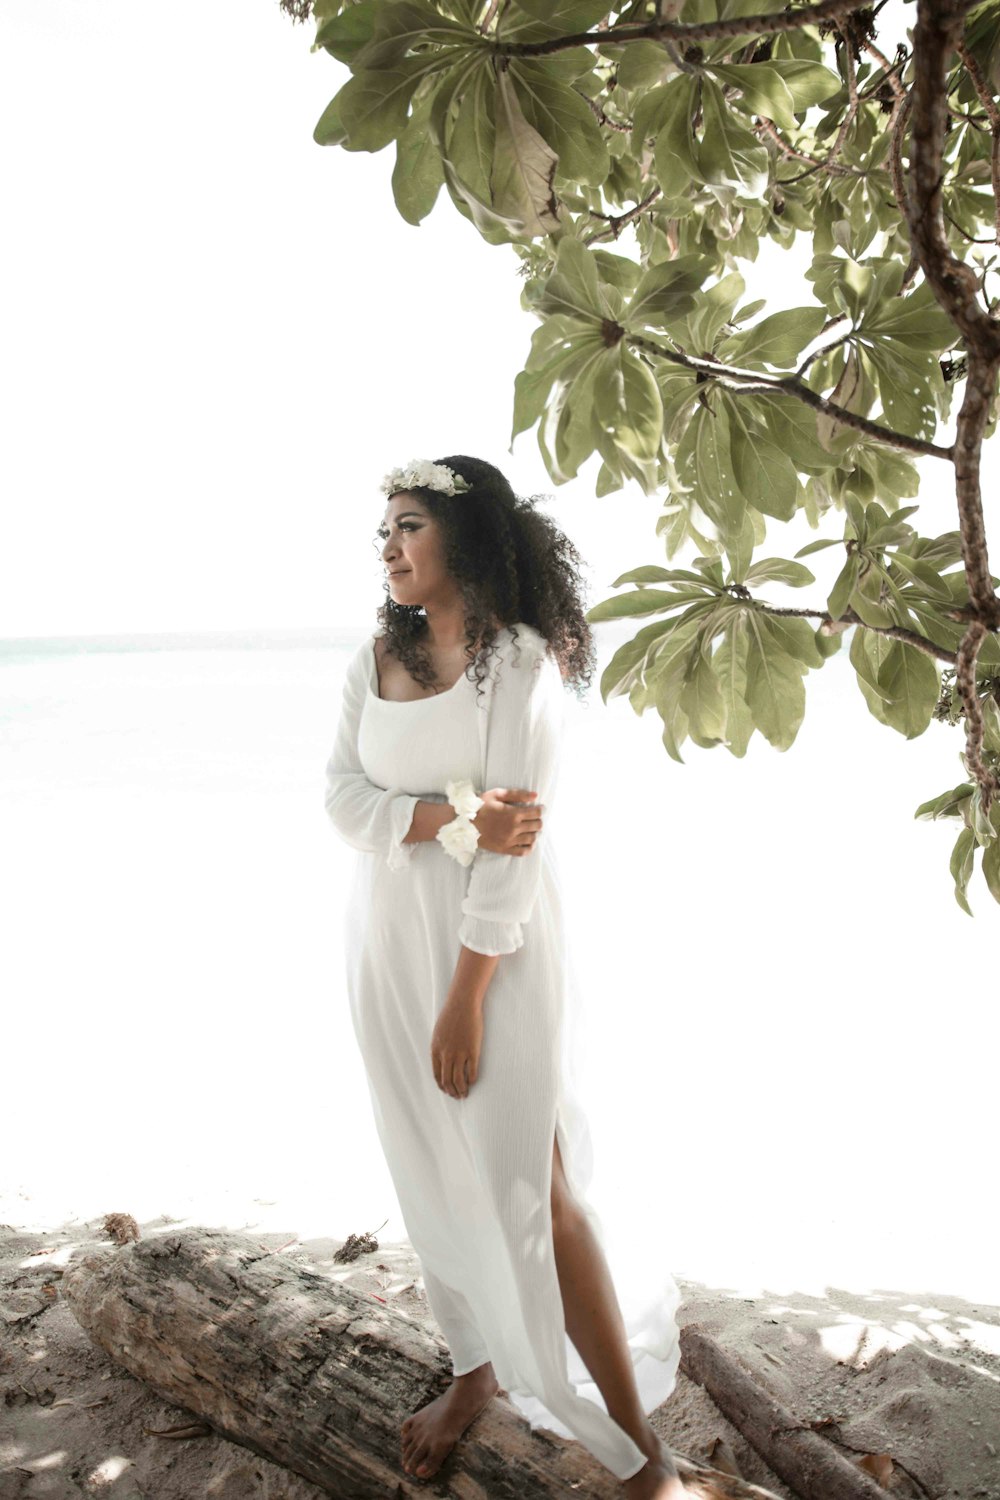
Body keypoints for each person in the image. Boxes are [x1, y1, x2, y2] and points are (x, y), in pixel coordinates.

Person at [324, 455, 683, 1497]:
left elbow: (515, 848)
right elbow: (341, 802)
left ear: (465, 538)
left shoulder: (516, 661)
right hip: (384, 937)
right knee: (424, 1156)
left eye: (406, 527)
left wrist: (467, 998)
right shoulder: (374, 657)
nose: (388, 548)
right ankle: (475, 1370)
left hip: (494, 950)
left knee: (535, 1183)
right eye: (381, 533)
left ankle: (638, 1448)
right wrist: (449, 817)